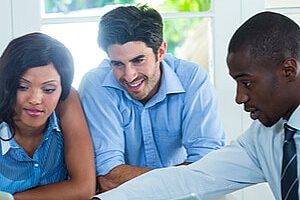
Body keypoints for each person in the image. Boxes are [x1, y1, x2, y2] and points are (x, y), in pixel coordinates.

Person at [90, 11, 300, 200]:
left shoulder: (190, 77)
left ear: (289, 70)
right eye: (118, 64)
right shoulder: (262, 138)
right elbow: (193, 178)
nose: (239, 98)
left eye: (246, 83)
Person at [78, 4, 225, 192]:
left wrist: (136, 178)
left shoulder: (192, 79)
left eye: (138, 60)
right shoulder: (97, 85)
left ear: (161, 52)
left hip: (186, 195)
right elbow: (109, 177)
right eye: (118, 64)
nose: (129, 76)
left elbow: (208, 170)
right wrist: (182, 178)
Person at [0, 32, 96, 199]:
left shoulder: (66, 100)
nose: (35, 100)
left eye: (49, 90)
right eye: (23, 87)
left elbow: (84, 188)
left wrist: (12, 199)